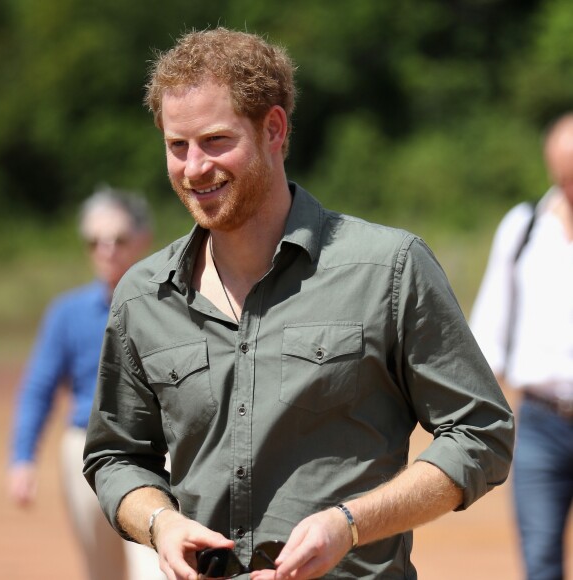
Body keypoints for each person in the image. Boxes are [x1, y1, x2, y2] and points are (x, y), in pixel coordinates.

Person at [83, 28, 514, 579]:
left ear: (274, 130)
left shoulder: (388, 269)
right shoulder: (143, 296)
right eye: (177, 146)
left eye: (216, 140)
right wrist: (160, 523)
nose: (193, 168)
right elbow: (116, 457)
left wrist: (350, 523)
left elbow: (481, 433)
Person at [8, 187, 166, 580]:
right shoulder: (67, 313)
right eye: (96, 241)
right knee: (103, 571)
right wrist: (23, 457)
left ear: (143, 239)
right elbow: (39, 388)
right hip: (85, 451)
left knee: (155, 565)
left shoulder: (171, 306)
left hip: (157, 448)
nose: (107, 250)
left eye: (118, 239)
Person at [470, 113, 573, 580]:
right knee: (541, 562)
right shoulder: (524, 227)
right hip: (539, 424)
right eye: (564, 175)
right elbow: (490, 326)